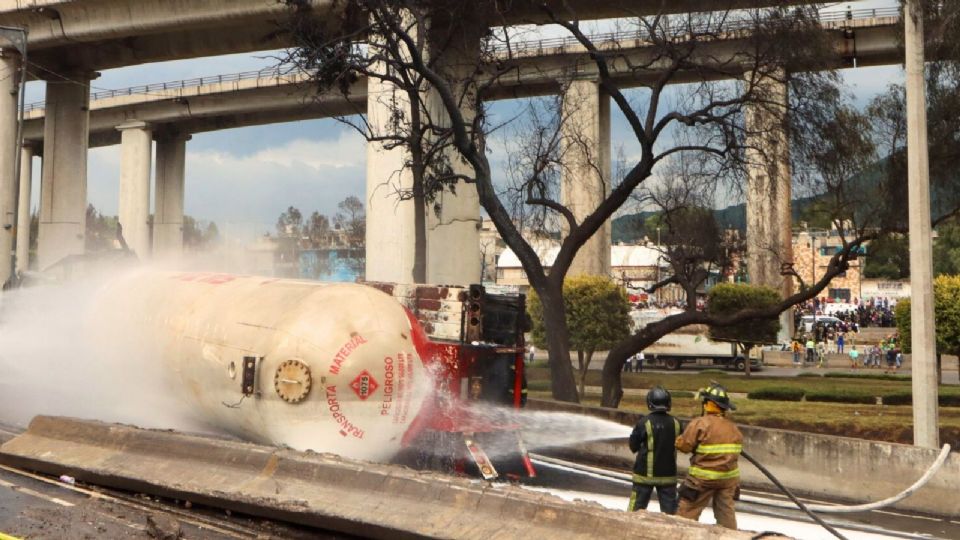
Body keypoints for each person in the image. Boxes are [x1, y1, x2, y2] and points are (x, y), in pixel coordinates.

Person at [675, 383, 743, 530]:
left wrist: (678, 440)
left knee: (686, 514)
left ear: (707, 404)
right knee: (726, 515)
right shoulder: (733, 428)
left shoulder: (700, 424)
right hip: (728, 480)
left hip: (702, 480)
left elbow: (684, 447)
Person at [628, 386, 681, 514]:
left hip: (644, 476)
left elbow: (633, 446)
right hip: (668, 476)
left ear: (649, 403)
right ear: (668, 403)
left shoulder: (644, 423)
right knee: (670, 514)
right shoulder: (676, 423)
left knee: (635, 511)